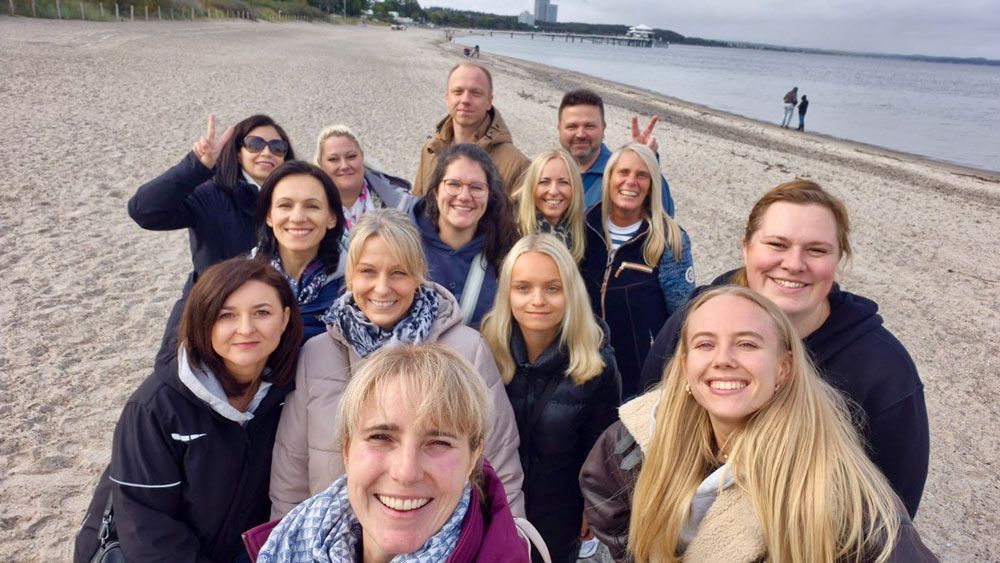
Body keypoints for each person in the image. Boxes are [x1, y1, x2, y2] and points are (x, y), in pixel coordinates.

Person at [580, 287, 937, 562]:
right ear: (686, 366)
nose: (723, 359)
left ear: (783, 368)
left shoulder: (841, 498)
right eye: (706, 344)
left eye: (747, 344)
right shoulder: (636, 438)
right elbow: (605, 499)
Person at [638, 180, 929, 517]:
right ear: (746, 248)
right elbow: (646, 423)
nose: (793, 263)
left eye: (816, 250)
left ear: (839, 258)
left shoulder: (883, 370)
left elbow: (893, 516)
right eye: (777, 244)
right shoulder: (693, 320)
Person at [268, 208, 525, 519]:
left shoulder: (466, 351)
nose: (381, 287)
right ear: (350, 276)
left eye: (398, 272)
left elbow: (499, 466)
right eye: (367, 272)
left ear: (418, 275)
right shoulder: (316, 355)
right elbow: (290, 475)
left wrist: (511, 539)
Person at [74, 259, 304, 562]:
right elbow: (145, 523)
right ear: (203, 320)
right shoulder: (154, 407)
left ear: (285, 318)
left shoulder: (293, 389)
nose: (246, 328)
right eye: (226, 315)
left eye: (262, 312)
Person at [257, 343, 538, 562]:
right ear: (346, 448)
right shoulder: (293, 539)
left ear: (473, 457)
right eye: (381, 437)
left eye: (438, 442)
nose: (405, 472)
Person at [481, 234, 620, 562]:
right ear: (508, 293)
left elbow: (600, 446)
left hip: (557, 514)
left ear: (569, 293)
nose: (537, 300)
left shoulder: (597, 363)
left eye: (552, 288)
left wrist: (593, 503)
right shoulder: (482, 348)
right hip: (490, 505)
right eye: (523, 287)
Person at [128, 114, 296, 365]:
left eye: (277, 147)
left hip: (263, 318)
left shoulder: (293, 204)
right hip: (208, 308)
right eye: (255, 144)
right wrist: (197, 165)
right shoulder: (212, 193)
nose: (266, 152)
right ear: (238, 153)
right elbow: (144, 211)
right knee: (178, 386)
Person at [580, 143, 695, 400]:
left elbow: (683, 315)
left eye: (641, 175)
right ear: (609, 177)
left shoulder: (669, 239)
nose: (631, 182)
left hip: (640, 375)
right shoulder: (583, 226)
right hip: (582, 367)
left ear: (652, 184)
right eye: (623, 173)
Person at [411, 144, 519, 327]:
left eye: (476, 187)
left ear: (489, 195)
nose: (464, 196)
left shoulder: (507, 256)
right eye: (454, 184)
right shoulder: (401, 245)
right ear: (436, 191)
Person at [252, 161, 346, 342]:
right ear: (269, 216)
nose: (297, 217)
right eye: (285, 205)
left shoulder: (356, 287)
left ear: (332, 218)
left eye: (312, 206)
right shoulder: (241, 282)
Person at [412, 62, 529, 196]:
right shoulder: (430, 150)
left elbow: (522, 217)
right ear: (447, 98)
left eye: (476, 93)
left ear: (489, 101)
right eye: (458, 92)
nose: (465, 100)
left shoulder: (517, 165)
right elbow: (416, 205)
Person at [313, 124, 416, 271]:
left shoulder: (401, 204)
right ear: (321, 165)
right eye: (333, 159)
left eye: (351, 157)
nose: (344, 165)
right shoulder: (310, 211)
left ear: (362, 158)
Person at [558, 88, 675, 215]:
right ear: (559, 129)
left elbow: (665, 214)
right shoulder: (550, 170)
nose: (580, 134)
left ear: (603, 128)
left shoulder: (621, 173)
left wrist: (646, 159)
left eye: (589, 126)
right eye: (572, 127)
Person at [511, 149, 587, 262]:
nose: (553, 191)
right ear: (531, 186)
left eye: (563, 182)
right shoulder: (509, 232)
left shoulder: (584, 233)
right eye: (544, 182)